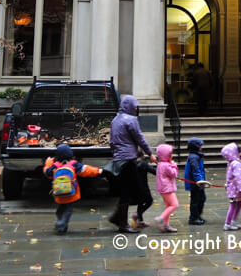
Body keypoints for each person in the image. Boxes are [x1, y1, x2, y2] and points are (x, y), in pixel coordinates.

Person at [108, 95, 156, 233]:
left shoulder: (115, 119)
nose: (136, 108)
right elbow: (140, 138)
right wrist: (150, 153)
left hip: (119, 159)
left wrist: (116, 154)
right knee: (129, 192)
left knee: (126, 191)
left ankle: (117, 218)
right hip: (129, 159)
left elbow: (112, 142)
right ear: (129, 105)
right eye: (135, 105)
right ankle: (122, 224)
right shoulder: (131, 120)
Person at [43, 144, 103, 234]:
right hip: (71, 193)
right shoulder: (74, 164)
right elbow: (85, 170)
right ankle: (62, 223)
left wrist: (48, 163)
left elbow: (47, 173)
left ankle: (61, 225)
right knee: (68, 210)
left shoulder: (55, 166)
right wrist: (97, 171)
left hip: (58, 193)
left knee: (60, 210)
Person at [154, 143, 179, 232]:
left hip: (163, 189)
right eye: (170, 154)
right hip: (167, 189)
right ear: (166, 155)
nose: (171, 155)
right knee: (175, 204)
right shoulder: (166, 165)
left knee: (168, 206)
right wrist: (174, 165)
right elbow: (174, 174)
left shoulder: (160, 164)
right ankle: (160, 219)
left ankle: (166, 225)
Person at [222, 142, 241, 230]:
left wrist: (227, 183)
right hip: (236, 189)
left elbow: (229, 176)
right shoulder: (236, 163)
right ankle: (228, 224)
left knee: (239, 203)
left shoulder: (231, 162)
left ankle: (234, 221)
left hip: (233, 188)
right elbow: (238, 176)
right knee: (233, 205)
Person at [185, 137, 207, 225]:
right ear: (196, 147)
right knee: (195, 200)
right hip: (195, 183)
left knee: (201, 198)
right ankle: (193, 218)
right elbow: (195, 170)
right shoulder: (193, 157)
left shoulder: (197, 155)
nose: (202, 147)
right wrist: (200, 181)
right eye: (201, 145)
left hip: (198, 182)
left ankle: (197, 216)